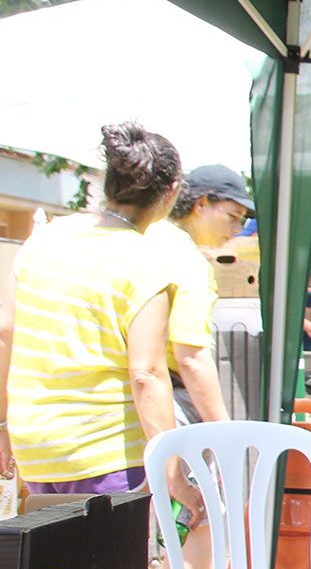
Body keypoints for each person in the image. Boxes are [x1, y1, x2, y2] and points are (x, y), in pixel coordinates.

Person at [0, 123, 205, 524]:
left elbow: (6, 333)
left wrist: (3, 425)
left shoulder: (43, 240)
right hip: (104, 453)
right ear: (170, 192)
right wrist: (172, 473)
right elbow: (146, 374)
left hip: (36, 447)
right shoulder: (145, 262)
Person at [148, 163, 252, 424]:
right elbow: (192, 358)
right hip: (169, 397)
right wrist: (224, 429)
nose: (237, 228)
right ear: (201, 203)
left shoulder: (149, 237)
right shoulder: (188, 259)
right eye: (232, 215)